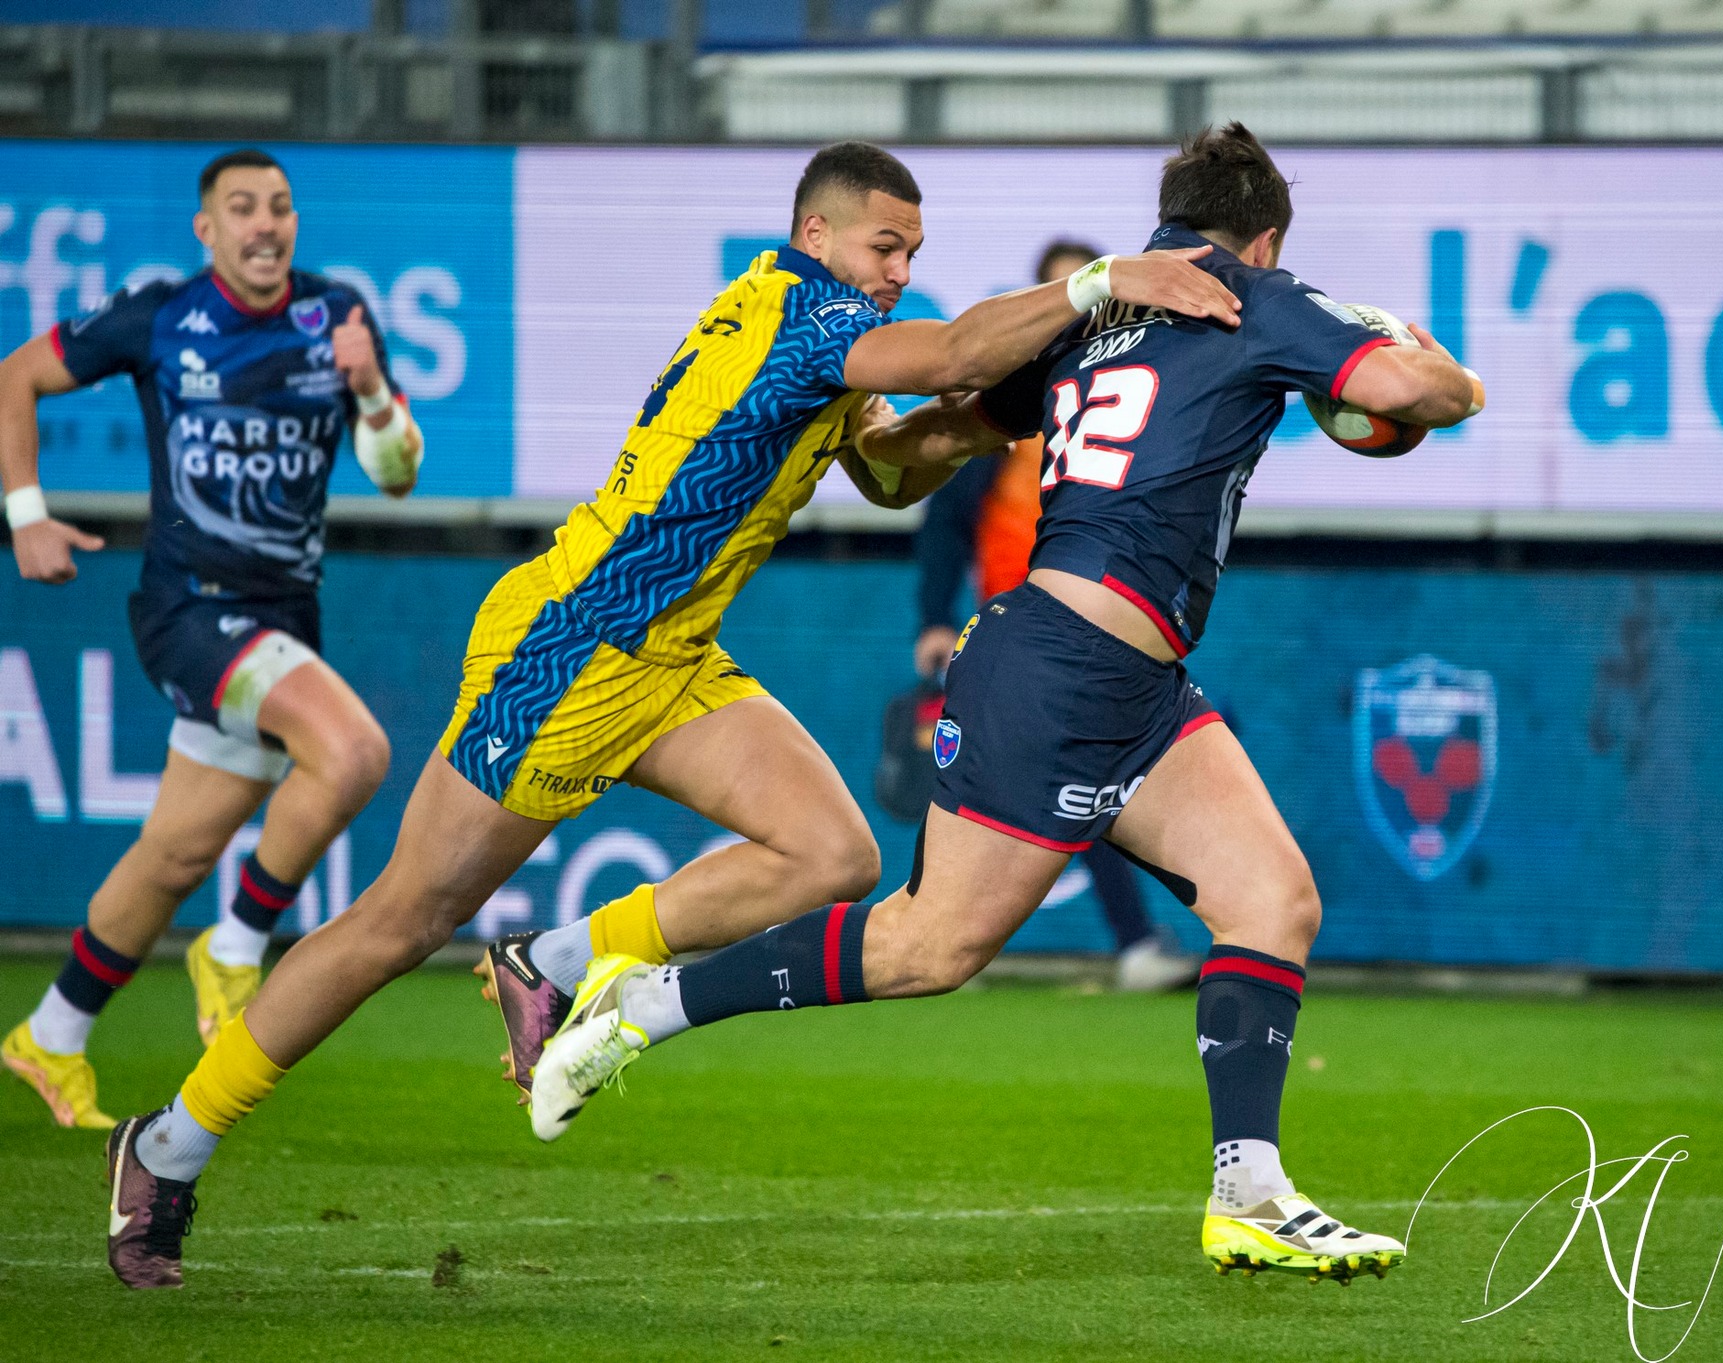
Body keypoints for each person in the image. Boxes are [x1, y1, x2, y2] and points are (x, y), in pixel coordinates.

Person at [101, 139, 1243, 1289]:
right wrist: (1100, 284)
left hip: (669, 651)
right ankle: (167, 1143)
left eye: (913, 251)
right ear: (818, 237)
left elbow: (888, 471)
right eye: (884, 245)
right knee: (397, 921)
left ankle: (550, 960)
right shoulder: (803, 313)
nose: (899, 268)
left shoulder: (807, 319)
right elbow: (945, 347)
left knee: (831, 849)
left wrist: (1003, 414)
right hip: (572, 650)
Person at [529, 123, 1484, 1285]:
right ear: (1264, 236)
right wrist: (1445, 371)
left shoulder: (1096, 320)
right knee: (930, 945)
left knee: (1271, 897)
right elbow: (1401, 393)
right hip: (1058, 666)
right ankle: (645, 1006)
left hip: (1128, 680)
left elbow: (923, 450)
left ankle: (1251, 1192)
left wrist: (872, 441)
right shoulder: (1262, 295)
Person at [1, 148, 420, 1131]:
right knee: (354, 752)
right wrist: (25, 512)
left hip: (282, 615)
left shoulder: (339, 315)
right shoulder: (161, 317)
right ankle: (233, 948)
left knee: (174, 853)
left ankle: (49, 1034)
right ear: (208, 229)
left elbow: (395, 471)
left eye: (279, 207)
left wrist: (367, 390)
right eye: (242, 208)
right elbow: (17, 373)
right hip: (191, 610)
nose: (265, 224)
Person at [911, 238, 1198, 992]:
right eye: (1054, 295)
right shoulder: (1012, 402)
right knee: (991, 781)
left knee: (1084, 782)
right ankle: (931, 929)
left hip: (1096, 633)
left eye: (1081, 295)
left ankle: (1125, 943)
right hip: (1011, 630)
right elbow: (945, 520)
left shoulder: (1137, 397)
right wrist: (935, 619)